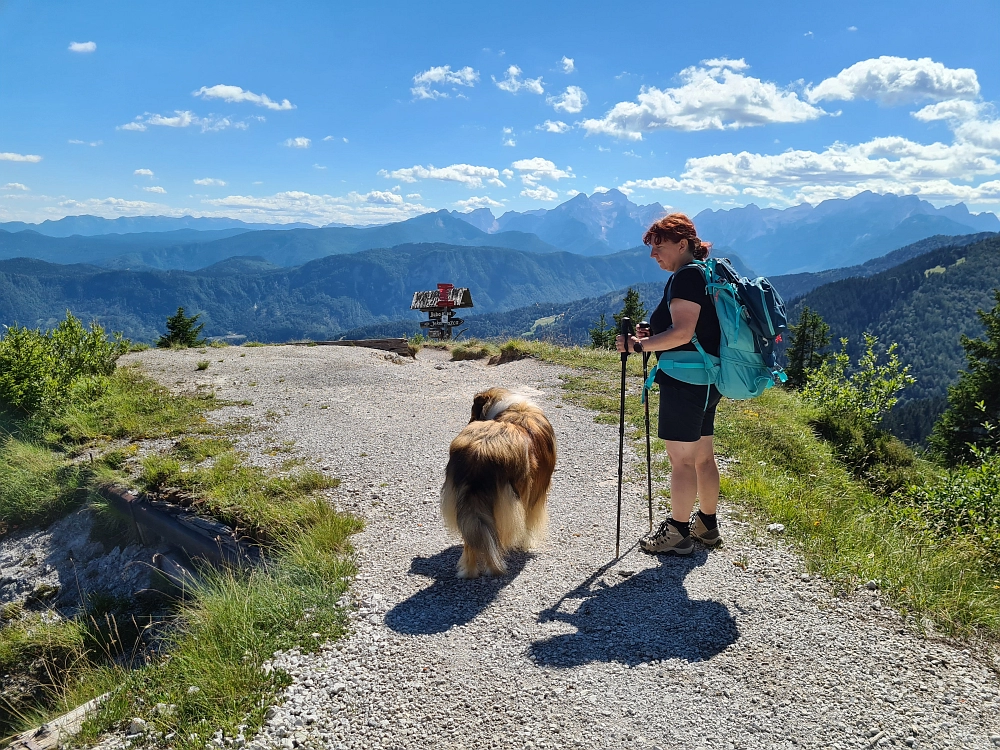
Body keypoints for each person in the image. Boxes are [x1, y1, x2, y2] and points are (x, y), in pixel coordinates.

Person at [615, 213, 723, 555]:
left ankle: (677, 532)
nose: (653, 255)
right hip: (707, 378)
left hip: (683, 379)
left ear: (682, 244)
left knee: (682, 461)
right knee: (703, 456)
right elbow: (691, 331)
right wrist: (655, 335)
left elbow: (683, 332)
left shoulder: (686, 277)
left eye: (658, 247)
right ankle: (706, 525)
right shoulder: (704, 274)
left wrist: (638, 345)